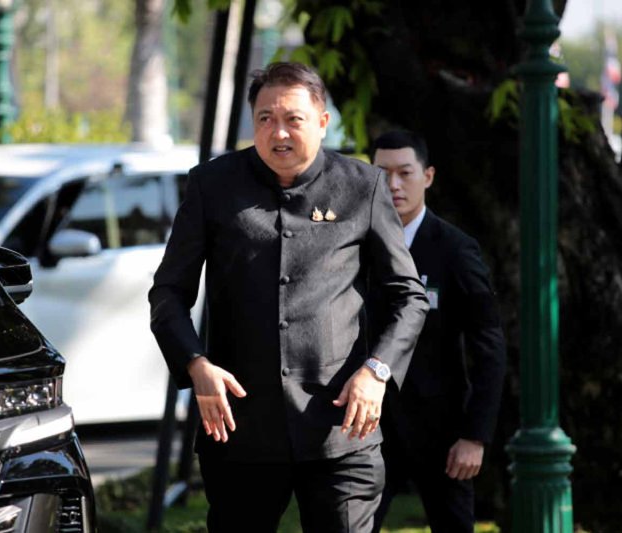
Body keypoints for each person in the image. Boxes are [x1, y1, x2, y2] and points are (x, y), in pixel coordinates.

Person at [148, 63, 428, 532]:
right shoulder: (211, 186)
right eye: (264, 119)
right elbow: (168, 293)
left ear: (322, 121)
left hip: (342, 429)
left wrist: (377, 371)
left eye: (293, 119)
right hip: (239, 429)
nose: (278, 133)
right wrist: (195, 364)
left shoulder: (363, 186)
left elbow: (409, 297)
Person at [370, 131, 507, 532]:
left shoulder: (455, 249)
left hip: (441, 431)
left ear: (427, 176)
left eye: (404, 173)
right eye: (382, 174)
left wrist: (475, 437)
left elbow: (489, 347)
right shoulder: (356, 245)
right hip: (368, 426)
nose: (394, 185)